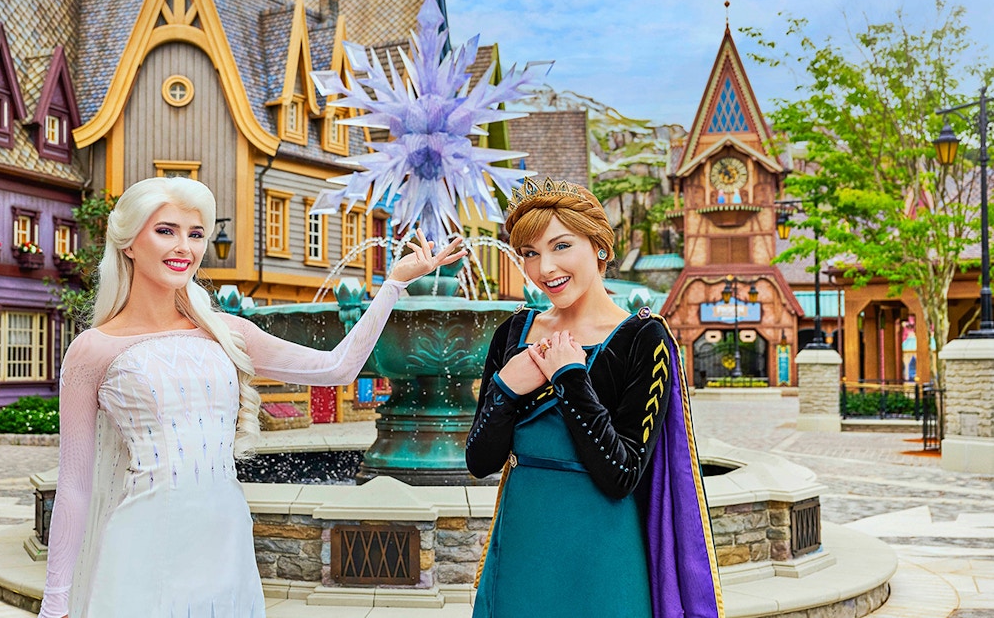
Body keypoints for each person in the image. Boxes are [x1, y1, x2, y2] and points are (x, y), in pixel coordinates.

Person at [38, 176, 465, 618]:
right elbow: (74, 486)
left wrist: (393, 284)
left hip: (224, 539)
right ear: (129, 242)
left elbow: (337, 368)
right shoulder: (92, 350)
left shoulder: (228, 333)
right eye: (166, 230)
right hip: (140, 541)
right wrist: (56, 601)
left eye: (196, 233)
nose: (184, 246)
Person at [466, 178, 723, 618]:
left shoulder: (644, 338)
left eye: (561, 246)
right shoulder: (513, 333)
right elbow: (480, 461)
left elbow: (621, 474)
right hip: (521, 547)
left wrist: (569, 377)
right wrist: (506, 390)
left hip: (604, 554)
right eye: (530, 253)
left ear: (600, 246)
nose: (545, 267)